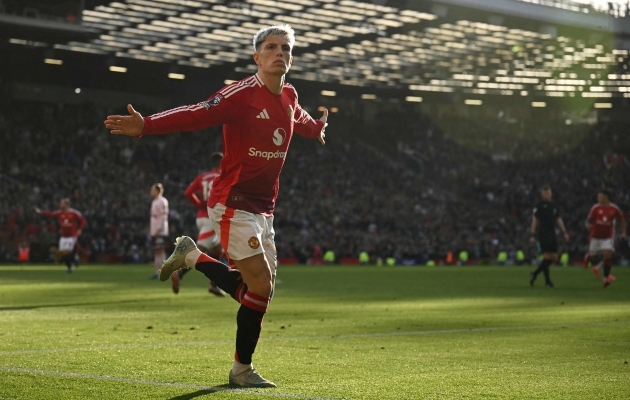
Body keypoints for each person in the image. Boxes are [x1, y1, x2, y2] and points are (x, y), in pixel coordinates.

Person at [104, 24, 328, 388]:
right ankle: (241, 370)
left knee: (261, 291)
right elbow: (195, 113)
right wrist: (146, 125)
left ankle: (192, 257)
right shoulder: (241, 94)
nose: (279, 53)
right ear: (257, 57)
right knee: (261, 283)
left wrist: (315, 126)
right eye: (271, 47)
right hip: (232, 201)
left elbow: (298, 117)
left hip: (263, 207)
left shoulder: (289, 94)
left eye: (285, 48)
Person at [174, 151, 226, 296]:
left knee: (218, 251)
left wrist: (199, 205)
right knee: (200, 250)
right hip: (212, 218)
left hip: (201, 216)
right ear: (222, 163)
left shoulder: (202, 177)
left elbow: (187, 193)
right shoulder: (223, 176)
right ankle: (179, 273)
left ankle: (214, 284)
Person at [583, 189, 626, 287]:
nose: (598, 198)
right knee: (593, 258)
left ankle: (606, 278)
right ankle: (588, 257)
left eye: (600, 196)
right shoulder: (595, 208)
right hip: (595, 236)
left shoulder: (614, 209)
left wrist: (623, 232)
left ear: (606, 198)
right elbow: (588, 221)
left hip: (608, 237)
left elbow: (622, 221)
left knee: (607, 256)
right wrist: (587, 225)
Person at [529, 185, 570, 288]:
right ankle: (547, 282)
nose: (547, 195)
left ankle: (535, 273)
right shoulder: (539, 206)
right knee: (547, 256)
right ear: (542, 194)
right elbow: (535, 220)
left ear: (551, 194)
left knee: (554, 257)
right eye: (545, 193)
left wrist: (564, 232)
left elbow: (558, 219)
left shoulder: (554, 206)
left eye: (548, 193)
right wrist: (533, 234)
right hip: (543, 232)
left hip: (552, 232)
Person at [34, 198, 85, 273]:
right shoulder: (59, 213)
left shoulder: (74, 213)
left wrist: (80, 229)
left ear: (66, 205)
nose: (60, 204)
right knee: (62, 254)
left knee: (66, 252)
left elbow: (83, 221)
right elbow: (50, 214)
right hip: (63, 237)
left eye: (62, 203)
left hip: (72, 236)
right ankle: (70, 267)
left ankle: (74, 258)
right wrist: (41, 211)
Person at [149, 183, 169, 280]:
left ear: (157, 191)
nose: (151, 192)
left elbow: (163, 216)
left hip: (160, 231)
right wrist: (152, 229)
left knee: (160, 251)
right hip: (155, 230)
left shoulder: (162, 201)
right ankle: (157, 272)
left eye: (152, 190)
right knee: (156, 251)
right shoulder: (154, 201)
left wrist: (158, 229)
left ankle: (164, 271)